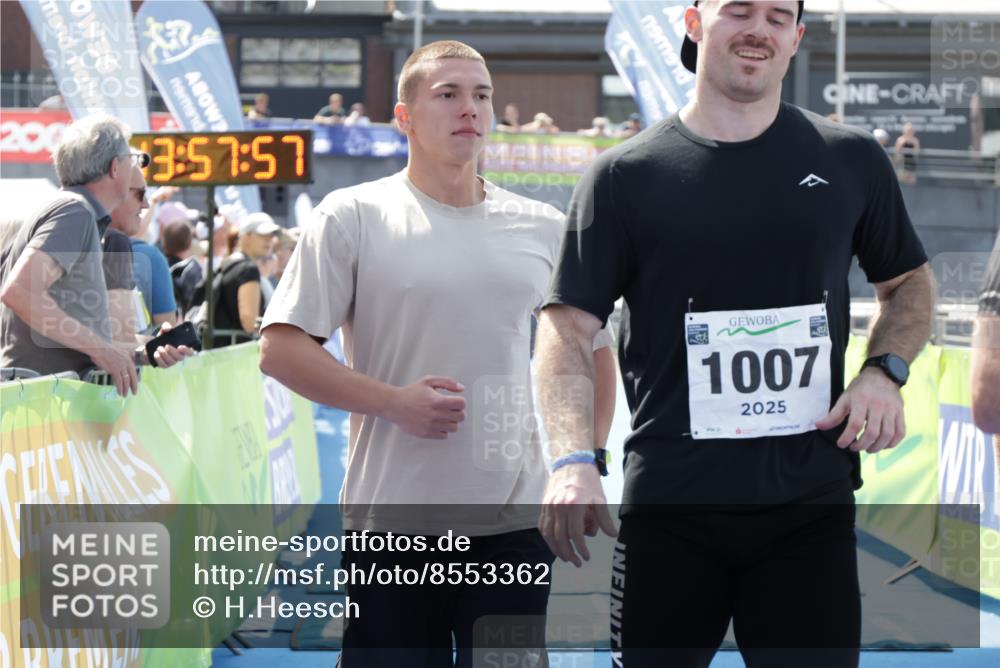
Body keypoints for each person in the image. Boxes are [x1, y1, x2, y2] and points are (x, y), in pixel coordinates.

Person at [535, 2, 935, 667]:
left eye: (779, 16)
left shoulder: (851, 159)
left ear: (797, 38)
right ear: (694, 23)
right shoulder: (623, 176)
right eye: (739, 10)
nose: (760, 29)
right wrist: (573, 459)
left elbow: (910, 284)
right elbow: (567, 328)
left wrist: (882, 370)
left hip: (808, 509)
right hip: (670, 508)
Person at [258, 40, 616, 667]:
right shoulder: (353, 216)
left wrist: (583, 461)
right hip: (392, 526)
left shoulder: (540, 226)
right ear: (405, 117)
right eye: (447, 94)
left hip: (514, 527)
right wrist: (393, 403)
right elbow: (281, 350)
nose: (468, 108)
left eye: (480, 94)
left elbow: (592, 354)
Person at [0, 114, 137, 396]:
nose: (134, 167)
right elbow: (20, 292)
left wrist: (142, 350)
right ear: (114, 167)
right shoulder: (74, 211)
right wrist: (103, 350)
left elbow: (69, 316)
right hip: (42, 402)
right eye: (131, 159)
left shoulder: (72, 210)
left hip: (45, 398)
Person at [212, 213, 279, 347]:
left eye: (271, 235)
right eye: (263, 234)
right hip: (236, 356)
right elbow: (250, 324)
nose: (269, 240)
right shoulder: (248, 269)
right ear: (246, 236)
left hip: (219, 352)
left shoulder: (224, 265)